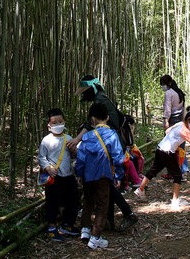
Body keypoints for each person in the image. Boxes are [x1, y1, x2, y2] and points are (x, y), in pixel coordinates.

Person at [69, 75, 138, 232]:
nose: (84, 96)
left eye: (85, 92)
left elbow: (90, 123)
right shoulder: (101, 98)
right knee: (107, 184)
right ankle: (109, 220)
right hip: (108, 145)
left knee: (107, 185)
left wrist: (77, 138)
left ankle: (128, 214)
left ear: (90, 90)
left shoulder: (100, 100)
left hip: (108, 146)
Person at [134, 108, 190, 210]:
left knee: (154, 170)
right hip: (167, 152)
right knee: (177, 175)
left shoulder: (179, 124)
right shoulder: (184, 130)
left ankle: (140, 189)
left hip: (160, 149)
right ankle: (175, 200)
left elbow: (167, 131)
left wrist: (174, 140)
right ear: (189, 120)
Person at [74, 101, 125, 249]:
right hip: (104, 176)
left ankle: (85, 230)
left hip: (88, 176)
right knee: (102, 207)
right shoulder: (112, 135)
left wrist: (80, 173)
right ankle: (95, 237)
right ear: (108, 118)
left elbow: (81, 158)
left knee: (88, 202)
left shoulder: (87, 136)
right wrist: (118, 176)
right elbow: (118, 158)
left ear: (92, 120)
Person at [37, 108, 80, 242]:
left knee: (73, 199)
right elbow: (41, 157)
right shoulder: (46, 140)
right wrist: (49, 168)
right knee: (52, 201)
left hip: (67, 175)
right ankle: (51, 228)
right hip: (54, 177)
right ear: (49, 126)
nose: (58, 124)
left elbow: (75, 156)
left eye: (60, 121)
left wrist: (73, 150)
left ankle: (67, 224)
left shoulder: (69, 138)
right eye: (54, 122)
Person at [159, 74, 188, 179]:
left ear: (169, 84)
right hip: (180, 123)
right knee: (181, 147)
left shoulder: (169, 93)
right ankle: (184, 171)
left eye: (164, 84)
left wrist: (166, 121)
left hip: (171, 124)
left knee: (169, 148)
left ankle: (171, 171)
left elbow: (167, 109)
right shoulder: (179, 92)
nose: (163, 86)